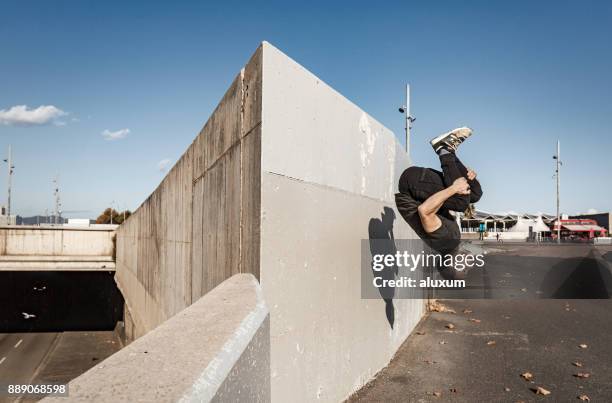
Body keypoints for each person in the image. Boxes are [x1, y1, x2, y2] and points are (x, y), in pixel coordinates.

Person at [395, 127, 483, 269]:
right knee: (475, 193)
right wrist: (467, 180)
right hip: (418, 184)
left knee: (461, 203)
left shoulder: (446, 242)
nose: (469, 264)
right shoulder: (450, 241)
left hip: (412, 184)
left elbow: (425, 211)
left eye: (464, 268)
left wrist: (454, 188)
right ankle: (450, 152)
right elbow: (438, 207)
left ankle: (445, 150)